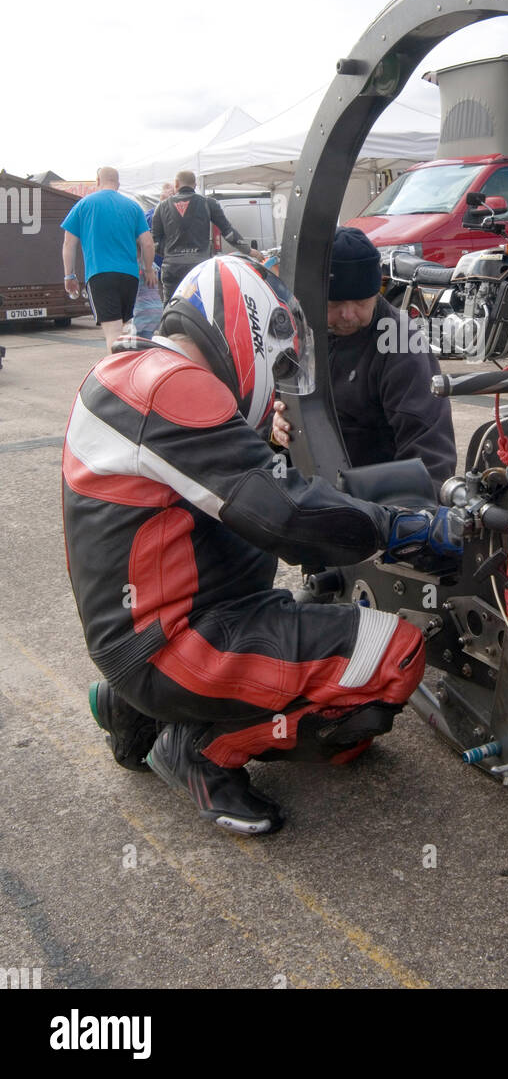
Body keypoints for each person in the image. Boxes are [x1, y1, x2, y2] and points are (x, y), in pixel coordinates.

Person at [64, 253, 456, 835]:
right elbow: (284, 515)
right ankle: (202, 746)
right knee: (393, 656)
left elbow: (242, 495)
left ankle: (134, 708)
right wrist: (401, 526)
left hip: (148, 632)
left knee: (309, 618)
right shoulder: (172, 387)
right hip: (179, 645)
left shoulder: (131, 371)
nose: (274, 377)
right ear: (247, 329)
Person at [272, 227, 457, 489]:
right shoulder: (296, 331)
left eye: (361, 302)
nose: (348, 314)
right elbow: (262, 406)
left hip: (375, 498)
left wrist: (405, 515)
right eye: (334, 304)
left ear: (377, 291)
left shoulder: (401, 346)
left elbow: (430, 452)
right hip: (305, 485)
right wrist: (275, 425)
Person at [61, 167, 156, 350]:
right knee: (127, 331)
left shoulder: (83, 205)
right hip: (130, 277)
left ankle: (118, 375)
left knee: (113, 333)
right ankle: (130, 371)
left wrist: (69, 275)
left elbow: (68, 244)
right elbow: (148, 243)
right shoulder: (133, 206)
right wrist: (149, 268)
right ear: (118, 184)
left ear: (98, 180)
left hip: (100, 275)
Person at [151, 170, 264, 303]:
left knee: (171, 308)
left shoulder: (162, 206)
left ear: (176, 183)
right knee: (203, 310)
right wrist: (249, 251)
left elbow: (154, 242)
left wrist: (171, 252)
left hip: (172, 268)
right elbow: (228, 232)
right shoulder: (208, 203)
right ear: (195, 184)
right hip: (200, 267)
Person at [131, 182, 173, 340]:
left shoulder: (138, 267)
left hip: (142, 315)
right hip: (159, 270)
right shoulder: (149, 217)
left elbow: (146, 242)